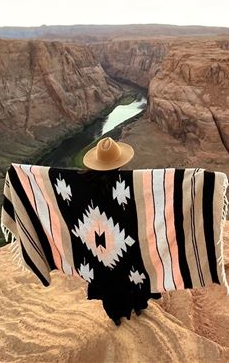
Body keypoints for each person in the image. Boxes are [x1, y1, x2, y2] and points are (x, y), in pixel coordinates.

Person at [82, 137, 161, 325]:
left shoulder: (83, 185)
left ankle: (116, 315)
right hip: (128, 242)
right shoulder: (129, 184)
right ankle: (138, 304)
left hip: (101, 244)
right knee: (135, 272)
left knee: (109, 279)